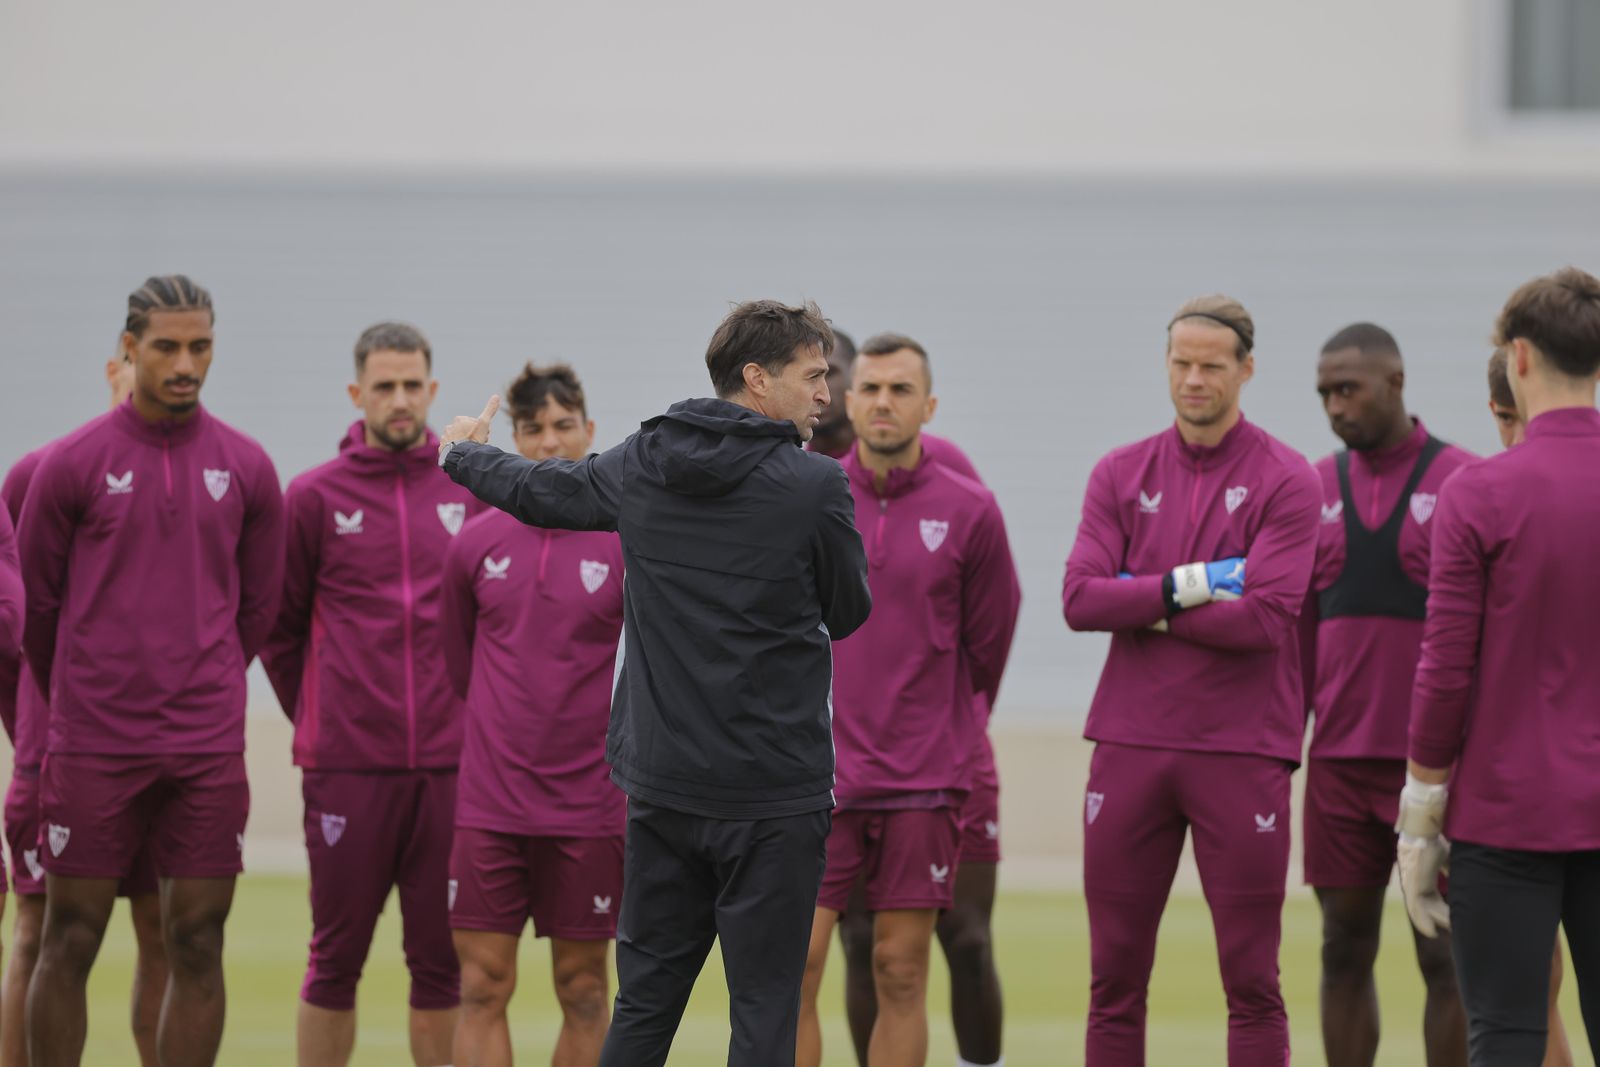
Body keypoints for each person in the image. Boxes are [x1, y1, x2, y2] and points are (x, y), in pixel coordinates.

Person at [437, 298, 872, 1067]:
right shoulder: (815, 488)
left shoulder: (644, 460)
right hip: (772, 798)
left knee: (641, 1009)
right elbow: (847, 612)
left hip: (663, 790)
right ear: (757, 379)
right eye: (813, 375)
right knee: (765, 1012)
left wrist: (462, 455)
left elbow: (545, 491)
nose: (825, 395)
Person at [19, 275, 285, 1067]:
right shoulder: (70, 465)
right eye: (166, 346)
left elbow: (259, 609)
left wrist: (200, 681)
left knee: (197, 940)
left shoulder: (246, 467)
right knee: (69, 936)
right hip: (95, 742)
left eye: (199, 346)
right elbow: (36, 610)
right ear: (129, 349)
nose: (184, 362)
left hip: (203, 748)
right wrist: (90, 689)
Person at [1063, 294, 1320, 1066]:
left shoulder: (1288, 478)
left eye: (1212, 365)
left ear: (1246, 369)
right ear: (1166, 364)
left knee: (1251, 979)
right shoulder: (1119, 470)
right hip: (1131, 743)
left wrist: (1142, 601)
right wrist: (1191, 585)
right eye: (1182, 363)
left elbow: (1266, 619)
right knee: (1113, 980)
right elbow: (1079, 599)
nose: (1195, 378)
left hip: (1241, 751)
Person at [796, 333, 1020, 1067]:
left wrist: (939, 723)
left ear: (928, 404)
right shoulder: (805, 493)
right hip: (815, 776)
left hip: (923, 778)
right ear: (846, 399)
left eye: (900, 389)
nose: (883, 401)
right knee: (795, 968)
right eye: (870, 388)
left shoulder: (970, 508)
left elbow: (988, 645)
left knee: (901, 967)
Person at [262, 322, 477, 1067]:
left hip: (451, 769)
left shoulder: (467, 490)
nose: (399, 399)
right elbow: (279, 629)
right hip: (347, 767)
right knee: (335, 959)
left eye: (412, 384)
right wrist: (324, 712)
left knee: (441, 963)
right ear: (357, 393)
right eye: (383, 386)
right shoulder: (313, 496)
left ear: (432, 390)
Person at [1399, 266, 1600, 1065]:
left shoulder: (1477, 493)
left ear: (1519, 358)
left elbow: (1445, 668)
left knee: (1507, 1037)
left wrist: (1419, 811)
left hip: (1504, 812)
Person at [438, 363, 626, 1067]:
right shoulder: (475, 542)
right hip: (491, 805)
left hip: (591, 807)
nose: (549, 442)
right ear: (513, 438)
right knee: (483, 987)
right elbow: (460, 665)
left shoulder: (626, 541)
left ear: (590, 430)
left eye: (563, 425)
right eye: (533, 429)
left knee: (583, 990)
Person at [1302, 323, 1473, 1067]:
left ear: (1395, 383)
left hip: (1435, 772)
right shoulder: (1310, 487)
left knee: (1445, 957)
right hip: (1337, 767)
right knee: (1342, 949)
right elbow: (1294, 631)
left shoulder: (1462, 481)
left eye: (1349, 389)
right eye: (1324, 394)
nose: (1336, 407)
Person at [0, 351, 169, 1067]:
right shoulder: (42, 472)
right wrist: (31, 730)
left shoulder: (204, 474)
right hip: (59, 748)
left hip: (168, 750)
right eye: (147, 361)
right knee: (40, 928)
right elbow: (14, 624)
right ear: (115, 368)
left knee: (165, 929)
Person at [1481, 346, 1575, 1067]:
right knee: (1537, 990)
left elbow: (1447, 667)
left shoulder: (1485, 498)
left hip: (1515, 800)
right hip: (1521, 794)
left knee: (1519, 1006)